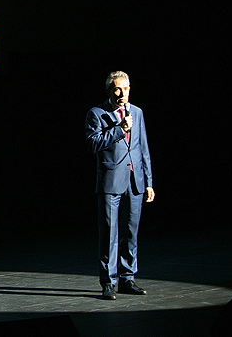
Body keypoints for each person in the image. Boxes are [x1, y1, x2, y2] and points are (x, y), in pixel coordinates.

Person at [85, 71, 155, 300]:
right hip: (111, 181)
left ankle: (128, 278)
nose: (121, 93)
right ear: (109, 91)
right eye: (117, 88)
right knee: (109, 234)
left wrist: (149, 182)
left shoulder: (138, 112)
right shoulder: (96, 113)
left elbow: (143, 148)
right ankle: (108, 282)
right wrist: (119, 129)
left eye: (125, 88)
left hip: (135, 181)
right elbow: (92, 144)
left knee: (131, 232)